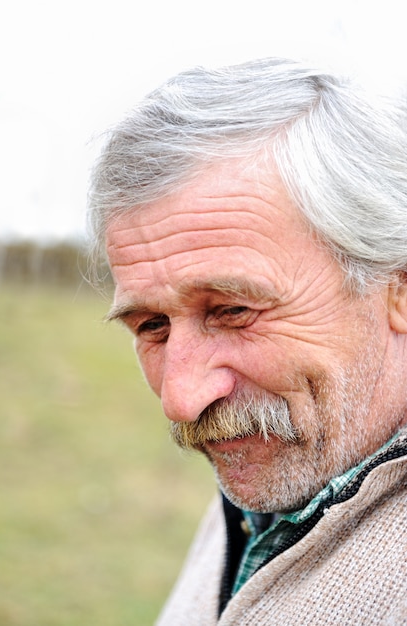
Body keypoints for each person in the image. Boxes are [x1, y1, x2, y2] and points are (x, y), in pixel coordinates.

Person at [88, 58, 407, 624]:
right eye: (152, 327)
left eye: (234, 310)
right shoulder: (281, 461)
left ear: (397, 288)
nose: (181, 399)